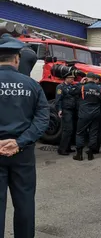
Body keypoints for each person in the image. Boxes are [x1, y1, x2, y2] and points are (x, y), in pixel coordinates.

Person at [0, 36, 49, 238]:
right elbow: (43, 119)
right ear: (17, 59)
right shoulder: (32, 85)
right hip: (23, 153)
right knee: (25, 203)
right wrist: (20, 142)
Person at [72, 72, 101, 161]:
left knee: (80, 133)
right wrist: (100, 112)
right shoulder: (100, 89)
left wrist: (80, 83)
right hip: (96, 114)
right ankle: (90, 154)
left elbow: (73, 92)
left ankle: (79, 154)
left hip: (84, 114)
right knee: (93, 133)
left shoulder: (82, 87)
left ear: (86, 78)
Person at [55, 73, 77, 155]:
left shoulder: (71, 87)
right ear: (66, 78)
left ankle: (68, 147)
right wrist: (59, 109)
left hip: (72, 110)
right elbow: (58, 100)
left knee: (71, 130)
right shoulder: (60, 87)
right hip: (65, 110)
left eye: (73, 78)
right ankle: (62, 149)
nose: (72, 80)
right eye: (71, 78)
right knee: (67, 130)